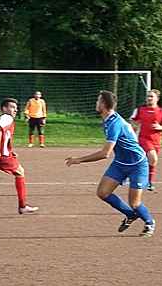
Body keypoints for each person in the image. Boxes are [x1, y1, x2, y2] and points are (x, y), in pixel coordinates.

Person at [65, 90, 156, 237]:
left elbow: (105, 154)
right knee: (103, 193)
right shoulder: (109, 120)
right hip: (120, 163)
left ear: (104, 104)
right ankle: (130, 215)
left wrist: (78, 160)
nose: (96, 103)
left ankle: (149, 222)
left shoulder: (114, 123)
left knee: (135, 203)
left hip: (137, 165)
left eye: (98, 101)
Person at [129, 88, 162, 191]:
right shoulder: (140, 110)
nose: (149, 98)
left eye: (151, 96)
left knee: (147, 161)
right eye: (148, 96)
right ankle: (144, 181)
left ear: (157, 98)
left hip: (156, 141)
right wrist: (135, 126)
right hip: (143, 138)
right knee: (153, 158)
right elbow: (132, 120)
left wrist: (159, 127)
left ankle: (147, 182)